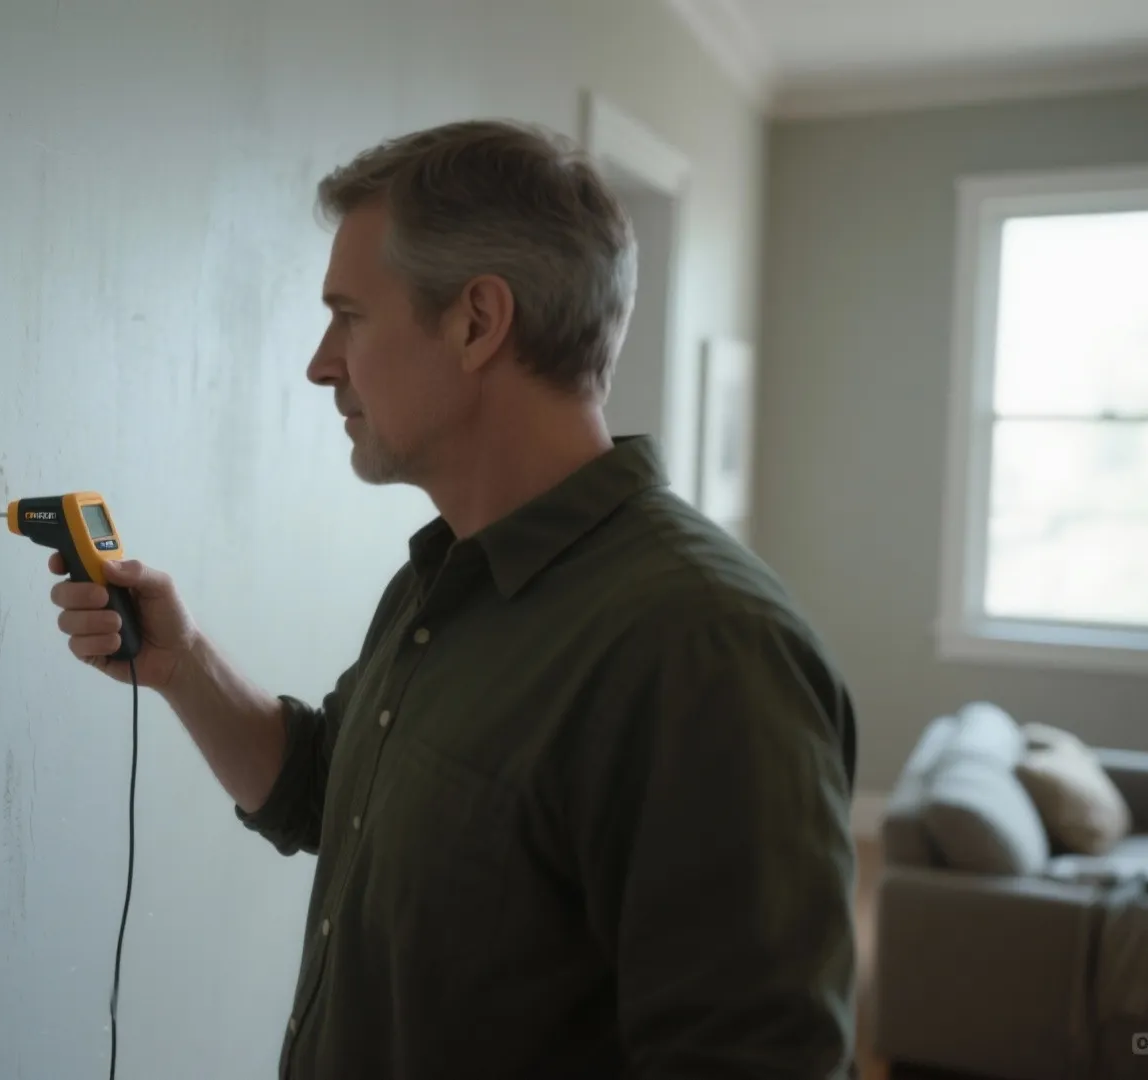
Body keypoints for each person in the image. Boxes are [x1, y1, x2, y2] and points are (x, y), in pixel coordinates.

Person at [45, 118, 858, 1079]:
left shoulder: (705, 648)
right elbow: (323, 791)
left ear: (477, 321)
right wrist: (182, 669)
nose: (320, 362)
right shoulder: (444, 577)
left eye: (349, 315)